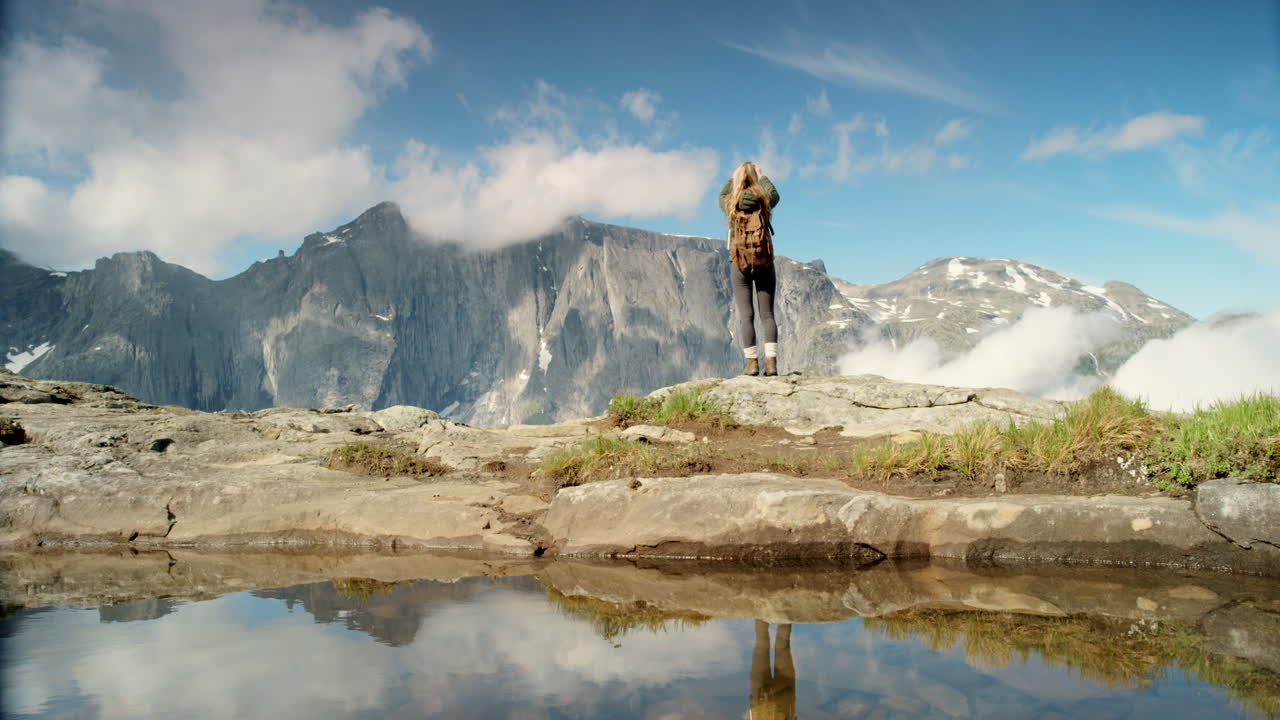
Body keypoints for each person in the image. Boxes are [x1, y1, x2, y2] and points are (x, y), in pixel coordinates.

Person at [719, 161, 781, 376]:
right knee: (767, 314)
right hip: (764, 262)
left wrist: (735, 177)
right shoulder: (764, 201)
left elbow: (721, 194)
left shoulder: (731, 202)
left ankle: (752, 364)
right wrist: (761, 176)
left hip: (739, 264)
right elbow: (775, 194)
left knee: (746, 316)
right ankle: (771, 365)